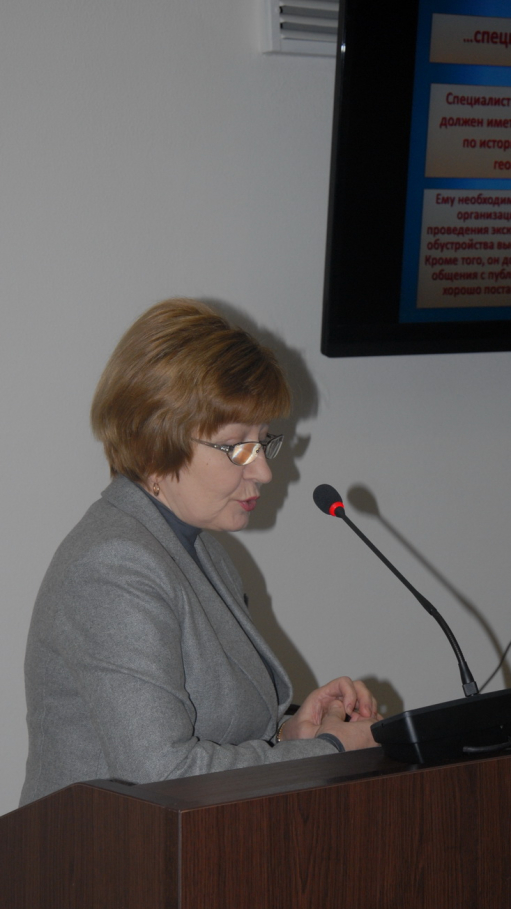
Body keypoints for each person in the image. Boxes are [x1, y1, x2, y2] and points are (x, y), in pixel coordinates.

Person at [20, 299, 378, 806]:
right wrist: (327, 750)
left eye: (264, 441)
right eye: (237, 447)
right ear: (154, 446)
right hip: (102, 852)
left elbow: (213, 731)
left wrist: (292, 734)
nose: (263, 471)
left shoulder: (197, 547)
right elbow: (163, 774)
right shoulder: (112, 568)